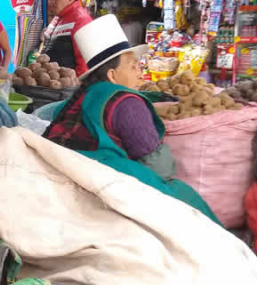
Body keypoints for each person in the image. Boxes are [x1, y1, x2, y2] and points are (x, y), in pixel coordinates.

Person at [43, 15, 222, 226]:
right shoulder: (126, 102)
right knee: (184, 197)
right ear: (112, 75)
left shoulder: (79, 96)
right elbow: (159, 168)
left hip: (57, 187)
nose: (140, 70)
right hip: (95, 191)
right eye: (132, 66)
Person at [41, 0, 93, 77]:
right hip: (51, 84)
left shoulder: (81, 19)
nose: (51, 2)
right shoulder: (57, 17)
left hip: (67, 86)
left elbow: (85, 65)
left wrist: (75, 86)